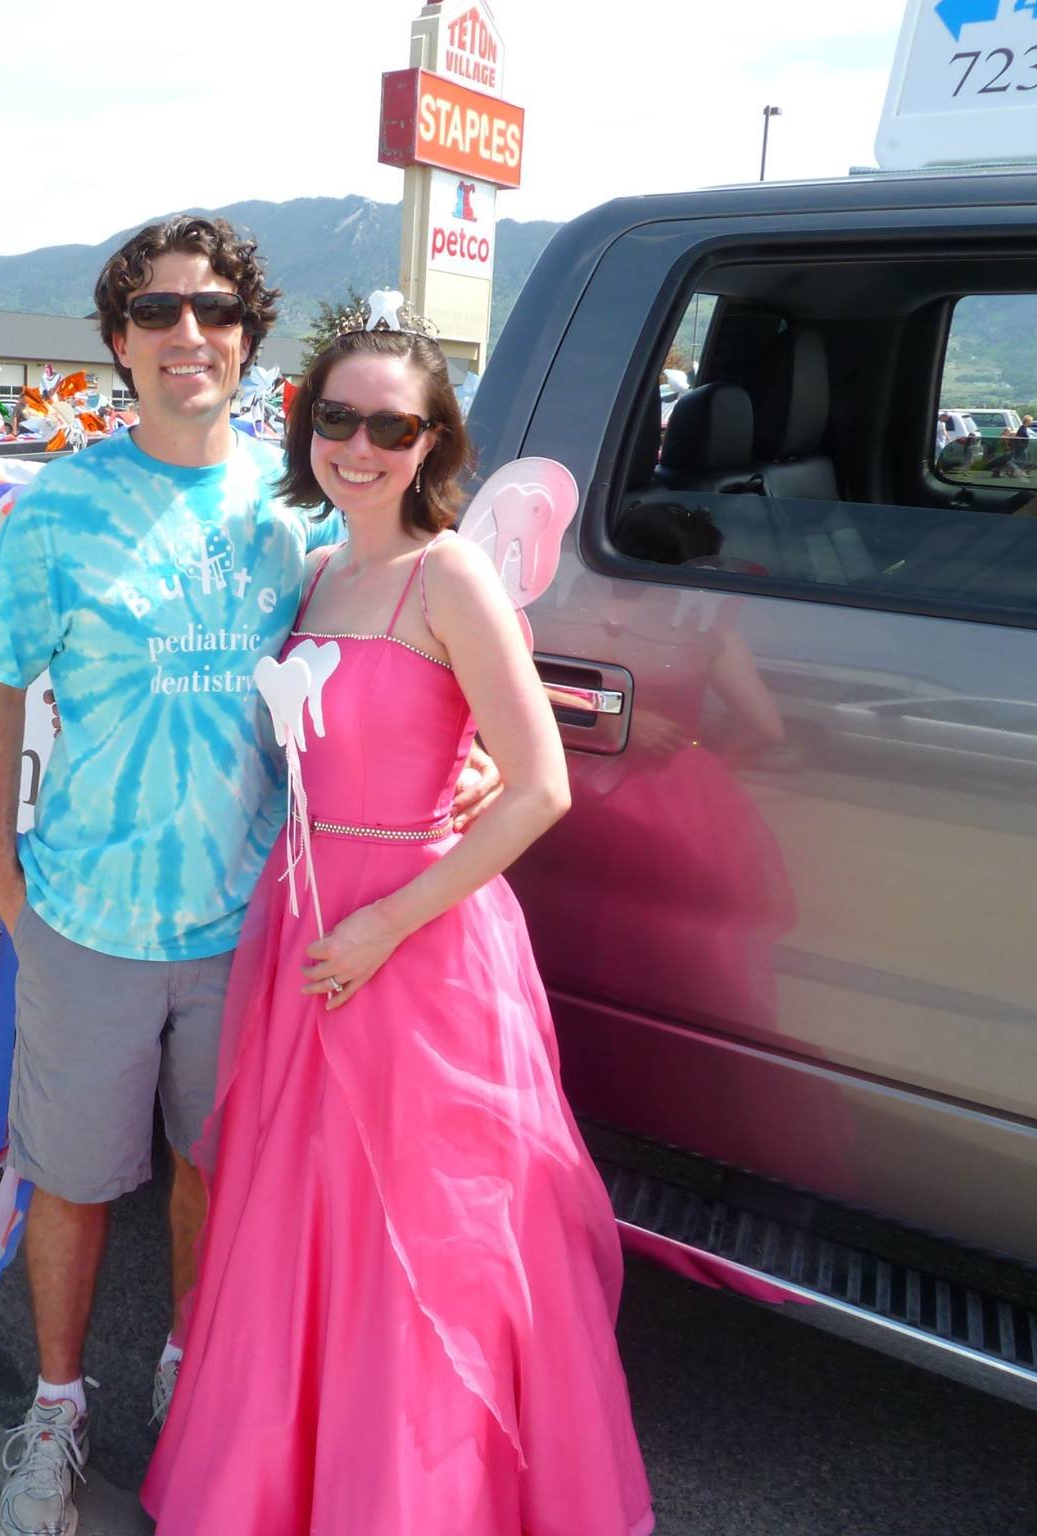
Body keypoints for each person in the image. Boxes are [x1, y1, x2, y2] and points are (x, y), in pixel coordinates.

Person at [0, 221, 496, 1536]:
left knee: (216, 1169)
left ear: (249, 338)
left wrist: (465, 760)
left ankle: (195, 1372)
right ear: (119, 342)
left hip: (252, 922)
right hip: (88, 913)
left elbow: (394, 640)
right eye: (154, 310)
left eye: (211, 310)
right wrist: (8, 875)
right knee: (73, 1178)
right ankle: (61, 1407)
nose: (185, 332)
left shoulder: (297, 504)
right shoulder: (58, 507)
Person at [141, 318, 654, 1534]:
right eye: (336, 418)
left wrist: (387, 927)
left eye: (390, 426)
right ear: (305, 424)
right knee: (303, 1232)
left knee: (423, 1246)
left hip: (416, 955)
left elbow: (538, 786)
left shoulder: (448, 575)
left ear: (430, 446)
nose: (357, 446)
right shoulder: (316, 571)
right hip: (302, 932)